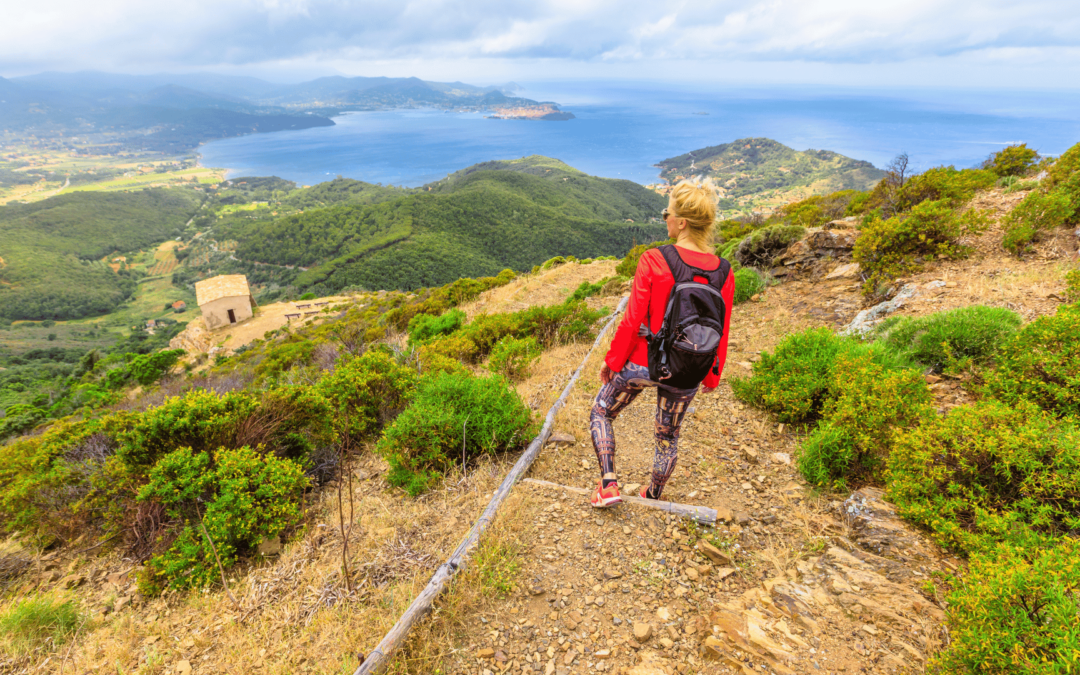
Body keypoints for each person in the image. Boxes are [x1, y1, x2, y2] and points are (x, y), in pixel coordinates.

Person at [589, 179, 734, 507]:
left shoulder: (654, 259)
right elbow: (722, 329)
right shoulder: (724, 272)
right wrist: (712, 374)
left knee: (601, 411)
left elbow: (631, 321)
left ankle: (609, 484)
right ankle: (652, 494)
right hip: (689, 368)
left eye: (667, 212)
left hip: (644, 363)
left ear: (681, 222)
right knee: (667, 437)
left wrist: (612, 363)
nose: (665, 218)